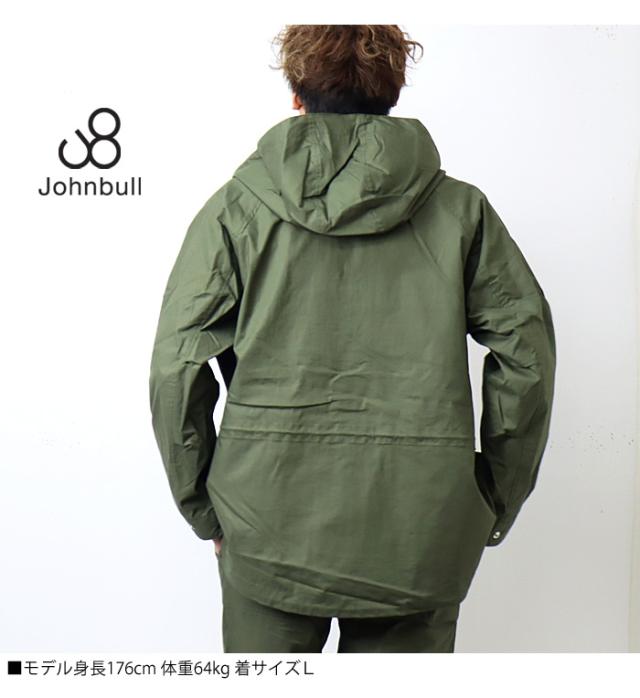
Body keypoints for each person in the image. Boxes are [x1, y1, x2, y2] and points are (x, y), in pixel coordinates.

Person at [148, 24, 556, 653]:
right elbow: (526, 356)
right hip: (419, 528)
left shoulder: (234, 211)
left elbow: (175, 369)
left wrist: (204, 505)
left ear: (296, 95)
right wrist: (494, 494)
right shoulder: (462, 212)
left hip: (266, 526)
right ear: (392, 93)